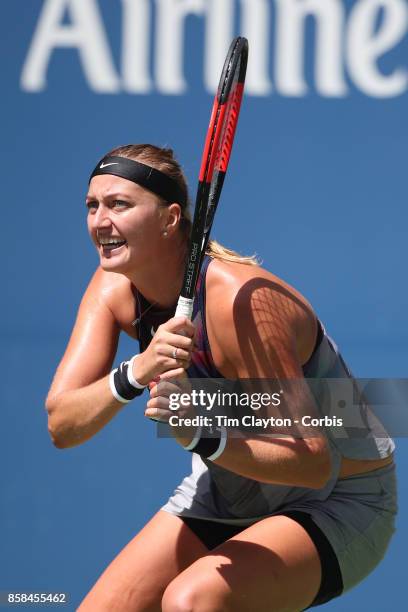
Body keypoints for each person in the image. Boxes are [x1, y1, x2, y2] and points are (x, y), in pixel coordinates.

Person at [46, 144, 397, 612]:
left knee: (192, 601)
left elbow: (314, 464)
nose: (99, 221)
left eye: (119, 205)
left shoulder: (239, 300)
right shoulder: (112, 286)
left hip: (339, 501)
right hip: (232, 489)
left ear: (171, 219)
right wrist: (135, 372)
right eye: (93, 206)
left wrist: (202, 438)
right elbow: (62, 425)